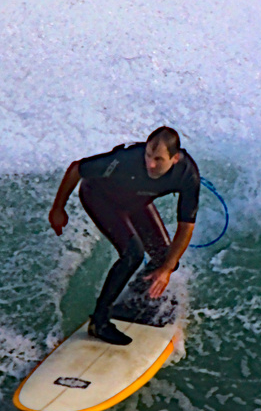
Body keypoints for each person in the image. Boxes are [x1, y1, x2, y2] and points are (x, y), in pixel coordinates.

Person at [46, 126, 199, 345]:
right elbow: (77, 169)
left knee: (166, 258)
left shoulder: (187, 174)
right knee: (132, 255)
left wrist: (165, 270)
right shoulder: (125, 159)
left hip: (136, 203)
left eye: (158, 159)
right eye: (148, 155)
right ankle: (99, 322)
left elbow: (186, 226)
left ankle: (136, 299)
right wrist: (58, 209)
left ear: (175, 158)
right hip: (100, 198)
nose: (151, 164)